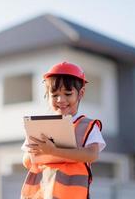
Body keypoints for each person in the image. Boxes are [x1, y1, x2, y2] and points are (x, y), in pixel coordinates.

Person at [20, 62, 106, 199]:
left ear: (81, 93)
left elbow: (92, 155)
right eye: (54, 95)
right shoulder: (39, 126)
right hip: (42, 194)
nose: (61, 100)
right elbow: (27, 161)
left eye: (67, 93)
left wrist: (53, 151)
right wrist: (36, 152)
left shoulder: (88, 125)